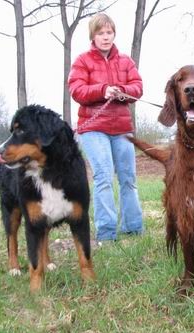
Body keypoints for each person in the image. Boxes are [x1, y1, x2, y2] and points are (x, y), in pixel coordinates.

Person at [68, 13, 143, 243]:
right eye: (101, 33)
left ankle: (133, 228)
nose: (106, 37)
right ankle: (107, 234)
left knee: (128, 178)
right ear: (93, 36)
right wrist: (102, 90)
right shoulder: (82, 61)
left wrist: (120, 89)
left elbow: (137, 87)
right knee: (103, 177)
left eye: (109, 32)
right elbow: (76, 90)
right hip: (93, 128)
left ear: (114, 34)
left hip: (121, 128)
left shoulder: (125, 61)